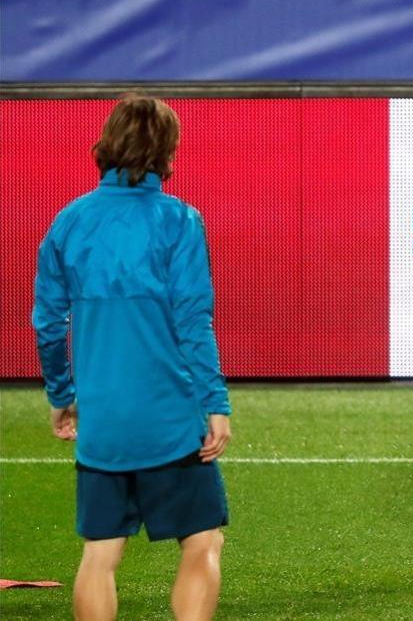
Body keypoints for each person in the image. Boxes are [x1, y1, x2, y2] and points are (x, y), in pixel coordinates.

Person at [32, 94, 232, 621]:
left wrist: (62, 396)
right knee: (203, 541)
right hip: (170, 419)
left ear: (108, 143)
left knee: (99, 554)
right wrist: (215, 402)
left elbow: (48, 325)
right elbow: (194, 322)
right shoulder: (180, 222)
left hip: (103, 422)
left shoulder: (68, 222)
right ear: (167, 151)